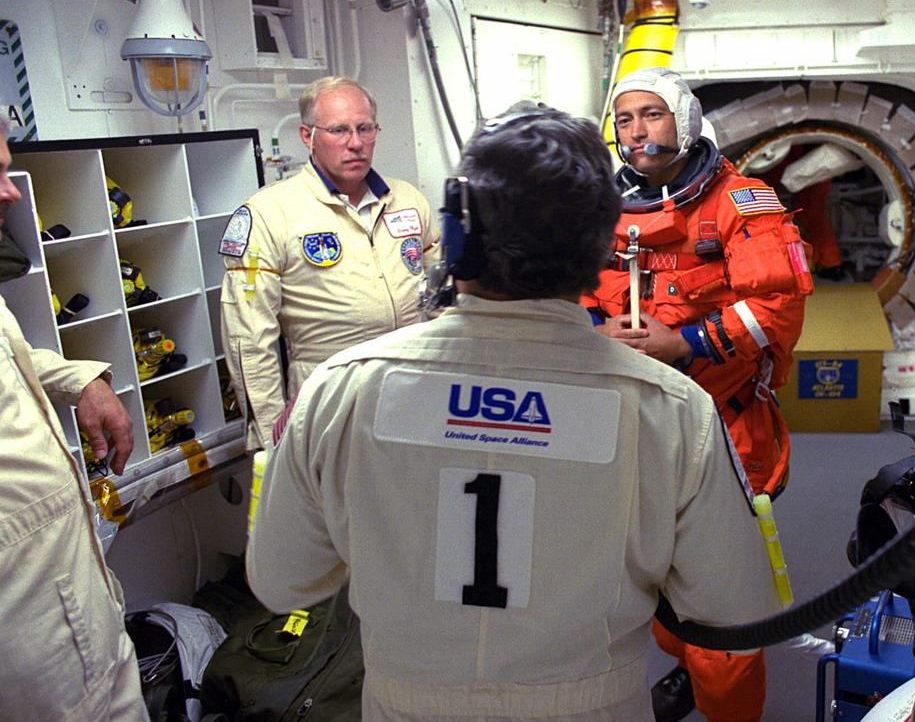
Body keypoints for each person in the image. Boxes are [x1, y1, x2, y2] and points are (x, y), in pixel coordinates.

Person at [246, 104, 782, 721]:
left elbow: (283, 582)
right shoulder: (672, 408)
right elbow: (735, 607)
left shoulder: (342, 389)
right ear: (597, 247)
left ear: (456, 236)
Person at [582, 67, 812, 722]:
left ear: (682, 120)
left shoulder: (743, 203)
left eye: (651, 114)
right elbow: (565, 295)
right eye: (624, 118)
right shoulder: (599, 213)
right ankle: (688, 662)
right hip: (626, 435)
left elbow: (778, 304)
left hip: (720, 435)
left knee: (723, 621)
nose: (636, 130)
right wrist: (599, 331)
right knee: (652, 593)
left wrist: (685, 344)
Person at [0, 120, 148, 720]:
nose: (11, 192)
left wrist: (77, 377)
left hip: (66, 577)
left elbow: (12, 360)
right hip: (25, 605)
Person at [219, 76, 438, 450]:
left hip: (413, 392)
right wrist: (274, 437)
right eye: (339, 130)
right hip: (327, 403)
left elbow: (441, 300)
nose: (355, 143)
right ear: (307, 136)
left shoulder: (408, 201)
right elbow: (250, 339)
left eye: (364, 128)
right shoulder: (270, 214)